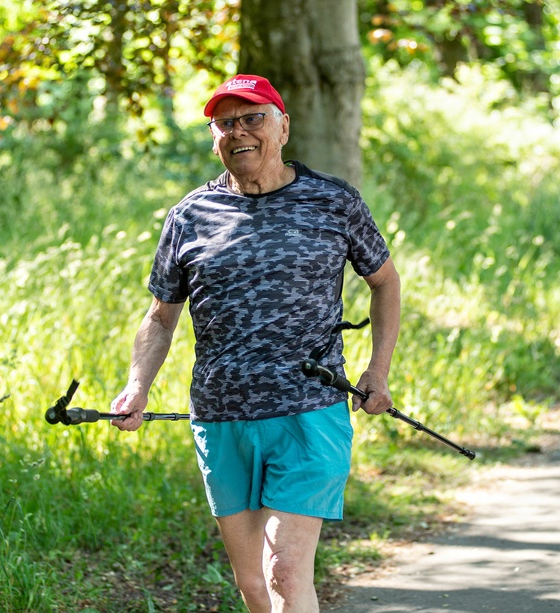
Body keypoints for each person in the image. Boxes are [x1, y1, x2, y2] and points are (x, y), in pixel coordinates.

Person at [110, 74, 401, 613]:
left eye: (253, 118)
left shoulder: (334, 202)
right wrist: (136, 387)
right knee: (254, 589)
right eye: (225, 123)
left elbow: (384, 283)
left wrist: (376, 372)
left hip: (309, 415)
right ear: (214, 137)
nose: (239, 131)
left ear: (282, 126)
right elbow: (160, 317)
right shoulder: (189, 216)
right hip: (222, 417)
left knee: (285, 573)